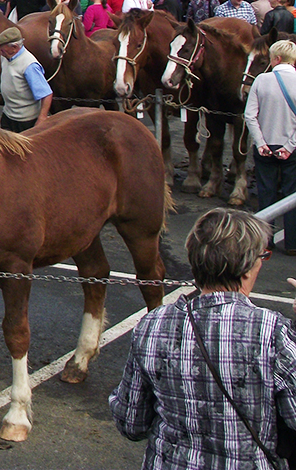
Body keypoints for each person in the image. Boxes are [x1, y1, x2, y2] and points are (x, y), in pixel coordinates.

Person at [111, 208, 296, 469]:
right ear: (246, 267)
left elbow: (131, 423)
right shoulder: (271, 330)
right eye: (262, 257)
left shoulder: (153, 325)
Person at [245, 40, 296, 254]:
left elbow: (250, 115)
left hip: (266, 145)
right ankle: (293, 243)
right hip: (291, 148)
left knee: (265, 192)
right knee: (291, 194)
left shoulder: (261, 80)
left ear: (276, 59)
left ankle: (265, 242)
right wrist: (290, 146)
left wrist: (261, 143)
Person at [0, 26, 52, 132]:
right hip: (8, 116)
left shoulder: (29, 66)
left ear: (14, 47)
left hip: (26, 121)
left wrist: (42, 118)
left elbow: (46, 94)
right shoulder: (5, 57)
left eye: (2, 46)